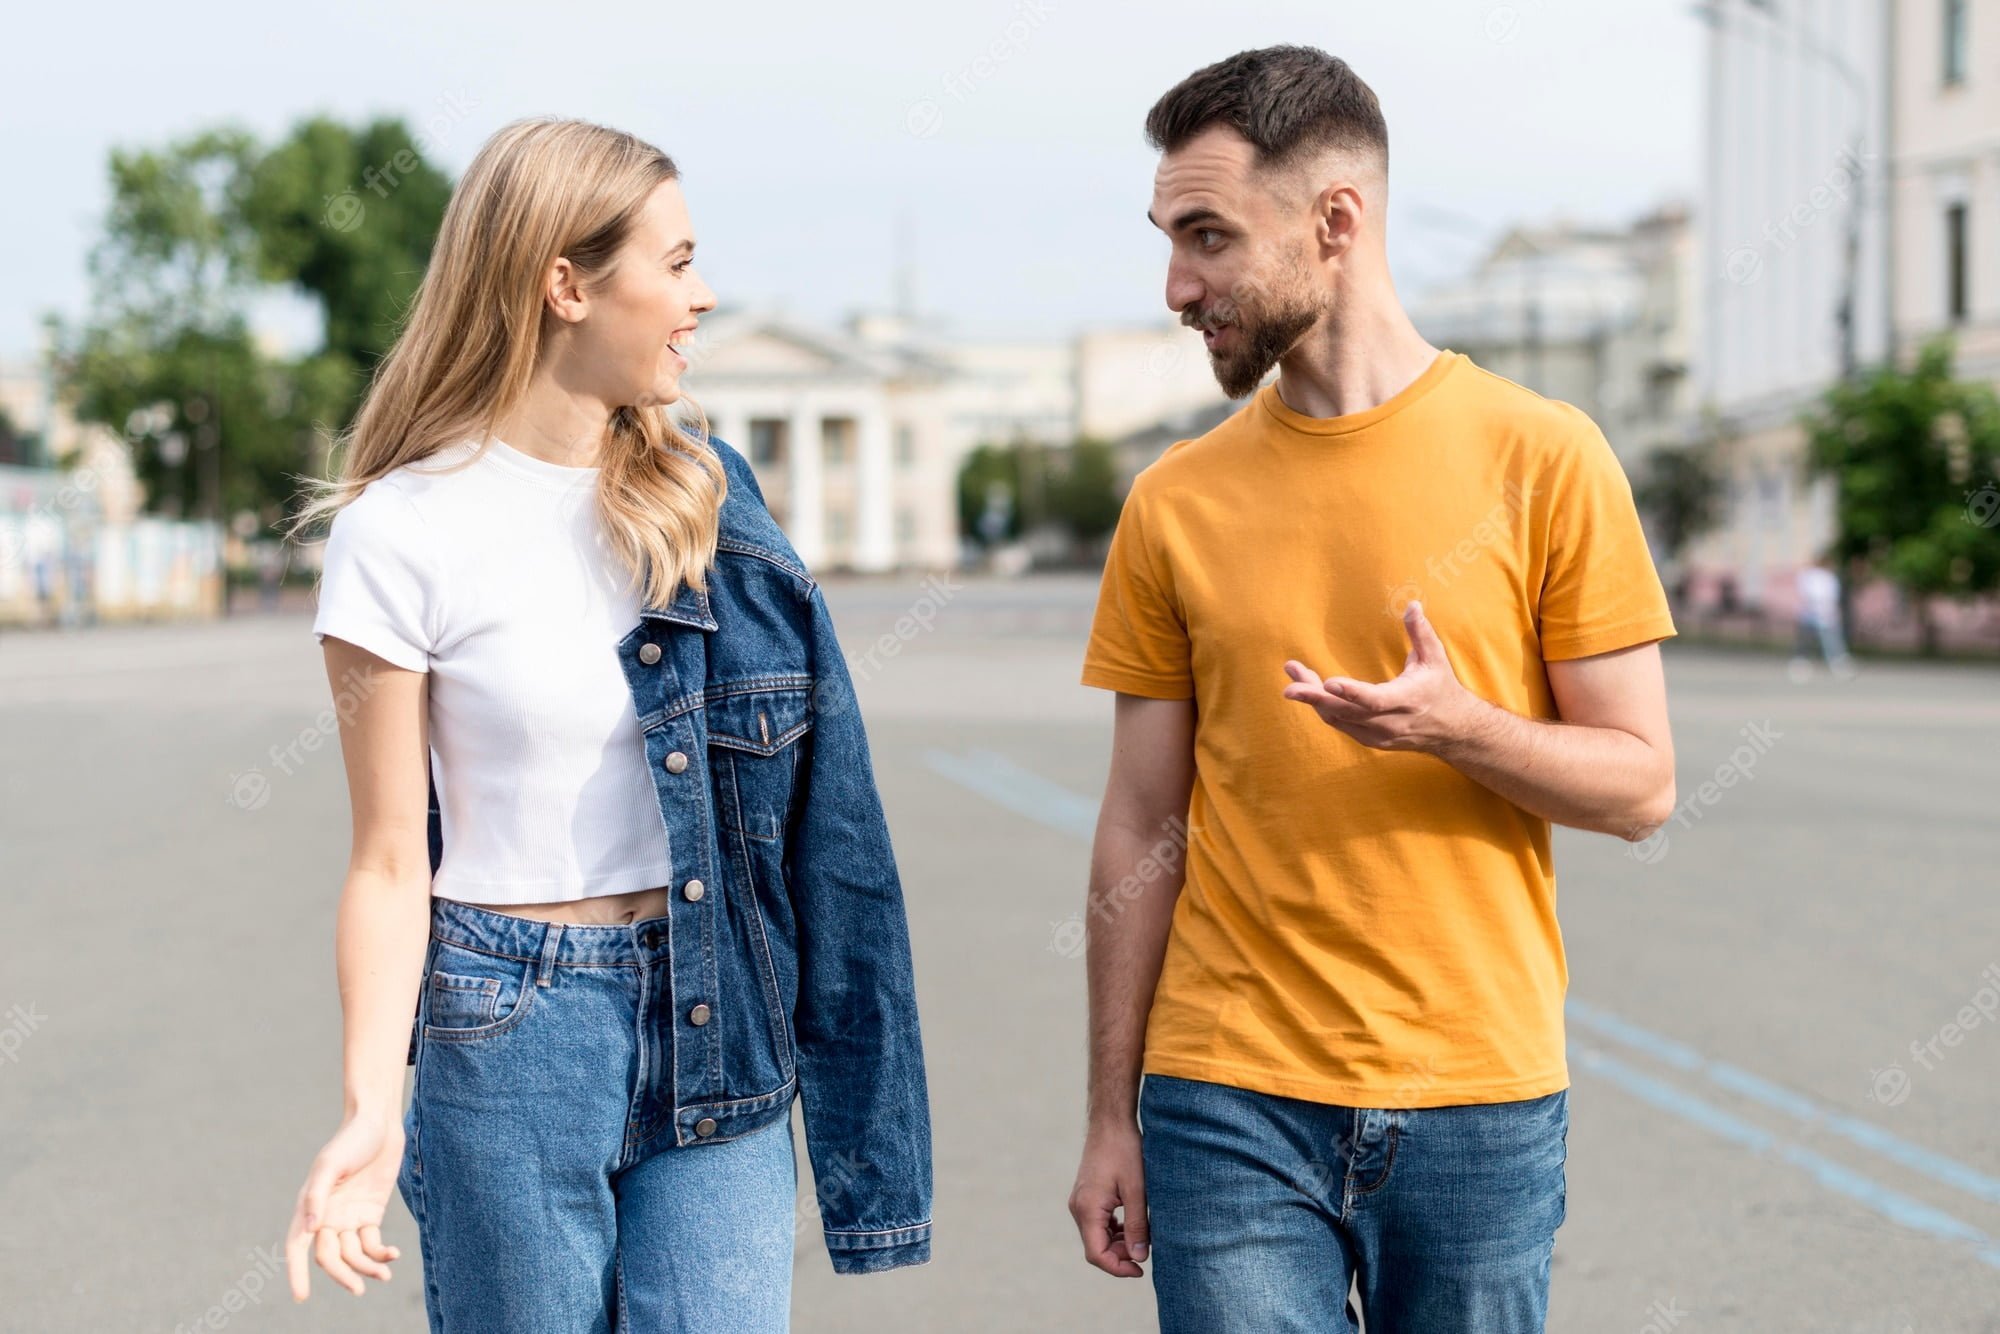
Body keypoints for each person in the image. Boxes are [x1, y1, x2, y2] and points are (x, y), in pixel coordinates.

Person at [280, 117, 932, 1331]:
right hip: (510, 1030)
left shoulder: (712, 500)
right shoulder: (399, 533)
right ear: (565, 283)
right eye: (676, 263)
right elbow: (385, 857)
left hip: (717, 1011)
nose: (704, 295)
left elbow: (827, 825)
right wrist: (372, 1105)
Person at [1066, 47, 1678, 1333]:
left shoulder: (1544, 455)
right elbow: (1138, 824)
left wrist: (1462, 728)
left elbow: (1640, 786)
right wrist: (1109, 1114)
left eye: (1208, 237)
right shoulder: (1173, 502)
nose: (1177, 285)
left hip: (1476, 1092)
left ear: (1334, 221)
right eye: (1169, 238)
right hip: (1223, 1092)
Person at [1790, 552, 1855, 680]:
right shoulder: (1812, 575)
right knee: (1806, 641)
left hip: (1825, 614)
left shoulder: (1827, 577)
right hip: (1812, 613)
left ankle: (1838, 663)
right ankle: (1801, 665)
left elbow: (1831, 596)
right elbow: (1810, 593)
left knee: (1831, 640)